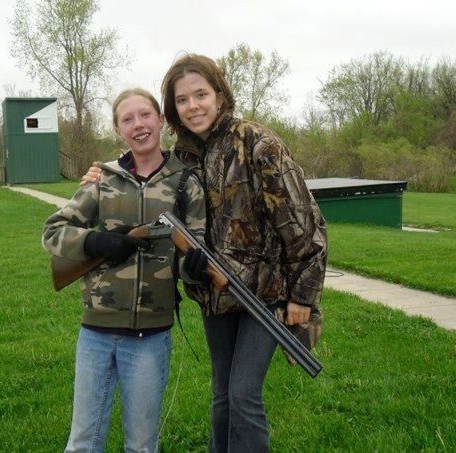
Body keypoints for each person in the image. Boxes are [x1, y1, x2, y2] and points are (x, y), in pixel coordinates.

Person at [82, 55, 328, 453]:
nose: (193, 106)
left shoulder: (257, 142)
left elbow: (303, 222)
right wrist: (101, 175)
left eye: (201, 94)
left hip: (264, 294)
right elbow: (145, 185)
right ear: (172, 109)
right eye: (182, 99)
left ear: (219, 95)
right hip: (215, 293)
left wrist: (303, 295)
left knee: (243, 394)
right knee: (221, 393)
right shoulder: (183, 157)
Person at [43, 87, 206, 453]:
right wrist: (95, 243)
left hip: (151, 338)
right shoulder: (103, 179)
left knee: (142, 446)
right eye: (128, 119)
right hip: (96, 331)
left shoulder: (186, 182)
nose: (139, 125)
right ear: (119, 130)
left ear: (161, 120)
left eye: (145, 115)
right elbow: (53, 232)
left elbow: (192, 258)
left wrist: (195, 269)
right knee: (83, 442)